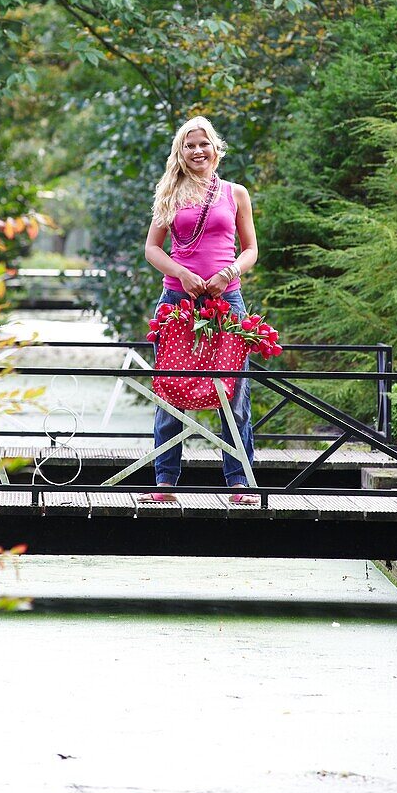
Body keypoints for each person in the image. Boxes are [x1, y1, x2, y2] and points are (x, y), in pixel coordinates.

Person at [143, 115, 259, 504]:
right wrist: (182, 273)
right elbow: (152, 249)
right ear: (181, 151)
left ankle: (239, 481)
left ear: (215, 148)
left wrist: (228, 273)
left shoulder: (235, 193)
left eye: (203, 144)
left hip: (227, 302)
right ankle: (164, 481)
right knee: (170, 389)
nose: (197, 151)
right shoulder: (169, 193)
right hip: (178, 303)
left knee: (235, 390)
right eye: (189, 145)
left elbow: (251, 250)